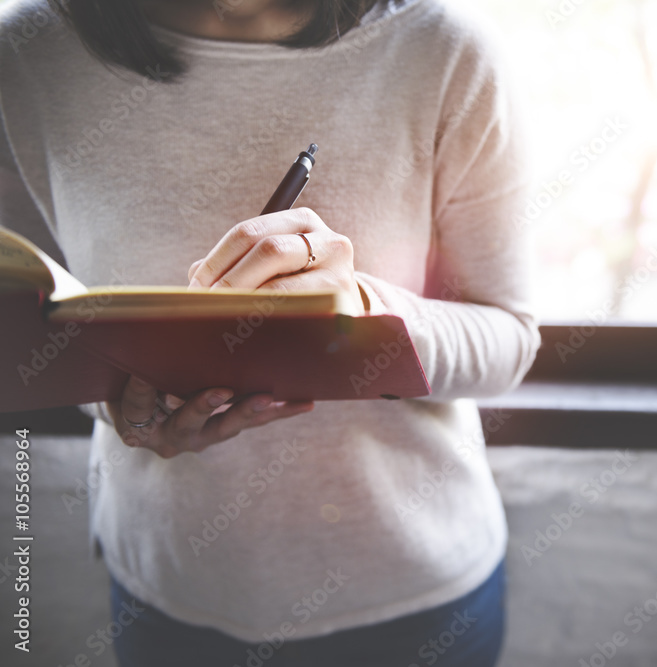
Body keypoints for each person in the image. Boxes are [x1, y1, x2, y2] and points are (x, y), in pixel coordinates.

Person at [0, 0, 539, 663]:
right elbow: (31, 327)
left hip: (413, 602)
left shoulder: (444, 50)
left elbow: (508, 338)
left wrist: (367, 311)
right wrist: (123, 412)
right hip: (167, 589)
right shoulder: (26, 58)